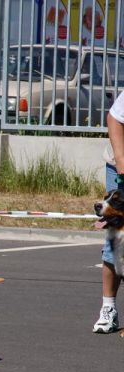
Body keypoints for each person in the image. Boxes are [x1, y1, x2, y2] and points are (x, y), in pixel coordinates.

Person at [94, 90, 124, 333]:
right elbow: (114, 117)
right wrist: (121, 159)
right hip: (120, 164)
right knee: (114, 242)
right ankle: (109, 309)